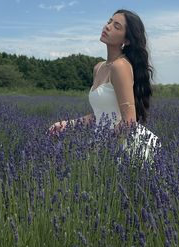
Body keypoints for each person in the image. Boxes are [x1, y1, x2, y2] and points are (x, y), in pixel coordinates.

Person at [48, 9, 159, 160]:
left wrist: (105, 148)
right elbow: (100, 116)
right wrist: (67, 125)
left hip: (125, 148)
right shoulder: (99, 68)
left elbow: (129, 121)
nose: (108, 26)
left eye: (116, 26)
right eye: (109, 22)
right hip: (104, 143)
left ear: (126, 40)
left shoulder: (120, 66)